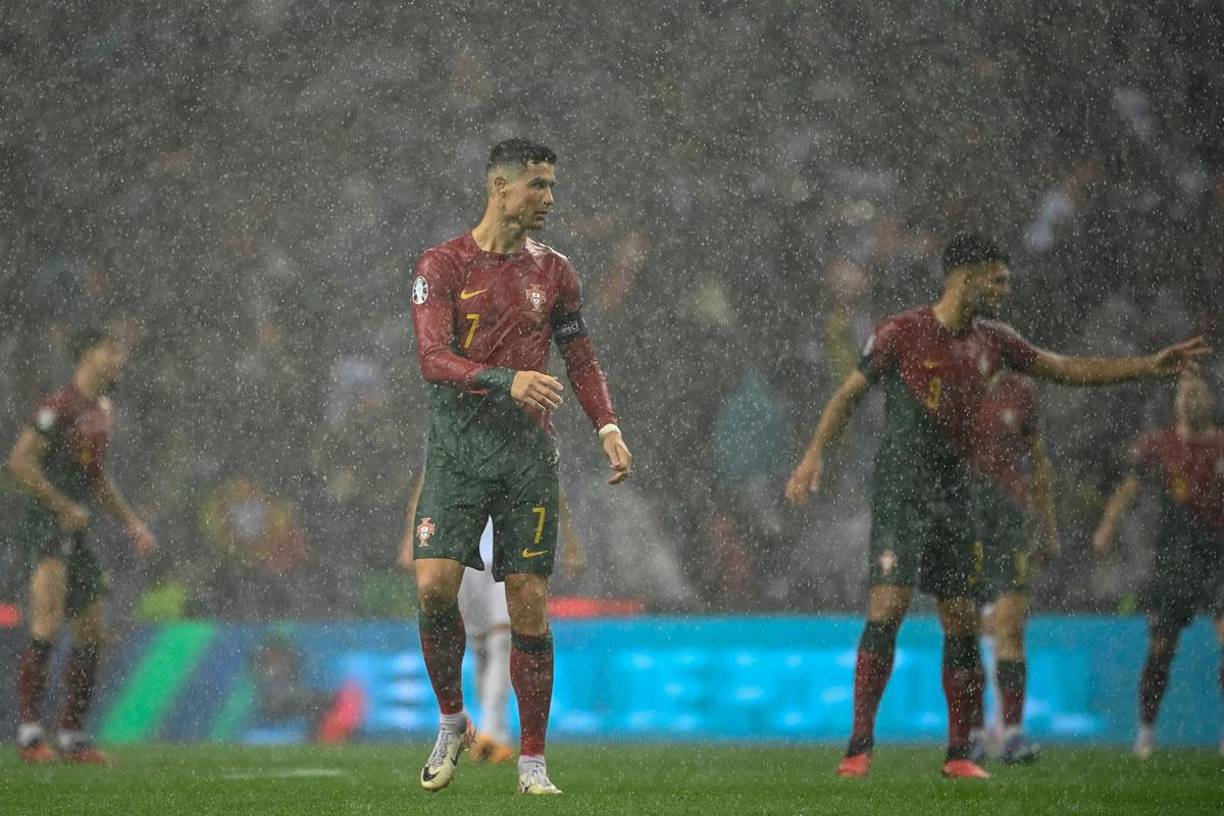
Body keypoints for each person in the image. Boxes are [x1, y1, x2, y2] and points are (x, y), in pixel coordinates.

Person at [785, 233, 1208, 780]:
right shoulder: (900, 332)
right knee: (887, 607)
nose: (1006, 290)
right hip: (903, 494)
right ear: (966, 277)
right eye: (998, 279)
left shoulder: (997, 341)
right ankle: (859, 745)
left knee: (960, 620)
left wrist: (1147, 365)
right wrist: (814, 455)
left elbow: (1065, 367)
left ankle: (959, 753)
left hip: (959, 495)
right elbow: (848, 395)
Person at [408, 138, 631, 795]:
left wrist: (608, 427)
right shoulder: (442, 264)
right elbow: (431, 358)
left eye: (552, 186)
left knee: (529, 605)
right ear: (499, 188)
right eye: (537, 186)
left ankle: (532, 760)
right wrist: (508, 380)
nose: (549, 198)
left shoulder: (556, 272)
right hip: (455, 454)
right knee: (432, 589)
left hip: (527, 457)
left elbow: (581, 359)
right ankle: (453, 721)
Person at [7, 325, 156, 764]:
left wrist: (132, 524)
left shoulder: (101, 410)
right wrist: (60, 504)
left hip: (76, 525)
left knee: (93, 629)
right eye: (111, 350)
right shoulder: (59, 406)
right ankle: (32, 735)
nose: (119, 358)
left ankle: (71, 736)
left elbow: (96, 477)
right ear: (88, 355)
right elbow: (18, 462)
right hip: (47, 522)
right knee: (48, 622)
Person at [400, 480, 585, 765]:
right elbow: (428, 481)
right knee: (480, 646)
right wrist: (412, 538)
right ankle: (487, 727)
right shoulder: (457, 439)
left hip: (509, 550)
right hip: (464, 553)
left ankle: (493, 731)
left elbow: (551, 485)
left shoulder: (524, 439)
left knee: (503, 640)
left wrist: (571, 541)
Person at [1092, 371, 1224, 760]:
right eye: (1184, 393)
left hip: (1218, 557)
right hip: (1174, 559)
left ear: (1210, 401)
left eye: (1197, 393)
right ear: (1175, 403)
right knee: (1161, 649)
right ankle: (1146, 731)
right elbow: (1129, 488)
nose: (1190, 400)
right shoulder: (1159, 446)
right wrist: (1107, 526)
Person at [967, 371, 1058, 764]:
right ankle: (969, 733)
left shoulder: (1022, 392)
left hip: (1010, 518)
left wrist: (1048, 525)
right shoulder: (955, 382)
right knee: (964, 631)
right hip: (965, 516)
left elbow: (1039, 463)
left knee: (1012, 626)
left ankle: (1013, 734)